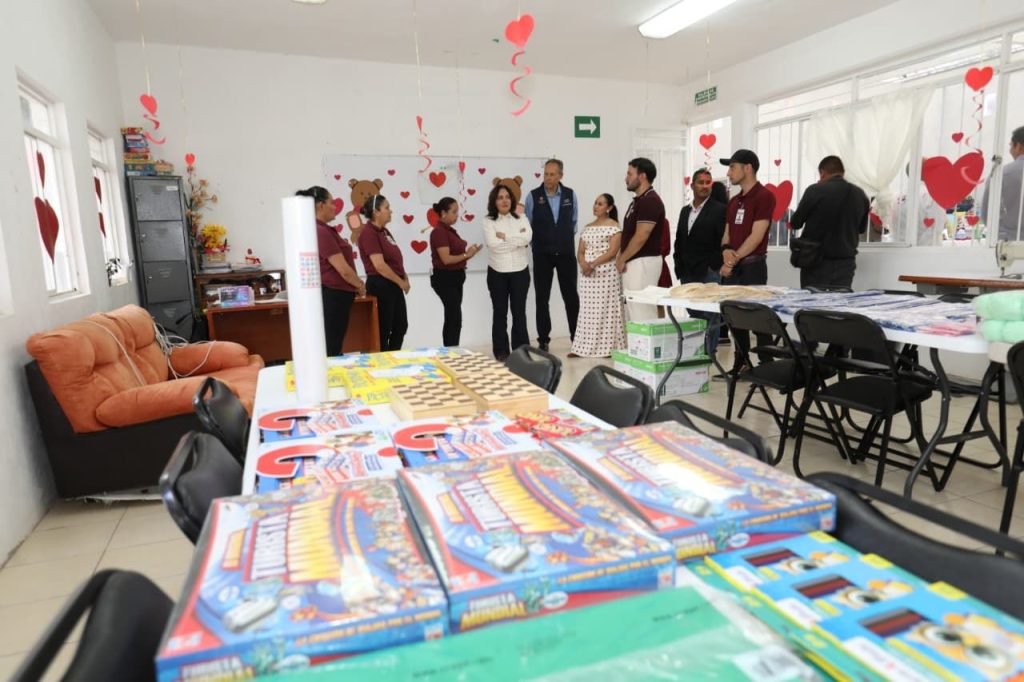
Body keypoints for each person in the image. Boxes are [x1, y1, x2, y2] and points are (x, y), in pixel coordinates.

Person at [719, 149, 776, 372]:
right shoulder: (734, 201)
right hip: (734, 266)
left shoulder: (764, 196)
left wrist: (731, 261)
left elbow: (757, 235)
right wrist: (726, 251)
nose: (729, 172)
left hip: (753, 266)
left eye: (732, 167)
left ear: (748, 168)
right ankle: (741, 362)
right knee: (735, 318)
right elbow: (727, 234)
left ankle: (766, 365)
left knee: (758, 317)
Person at [296, 186, 365, 356]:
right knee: (331, 347)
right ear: (321, 205)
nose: (335, 207)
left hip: (338, 294)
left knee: (333, 344)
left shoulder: (323, 229)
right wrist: (359, 285)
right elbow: (343, 269)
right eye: (332, 203)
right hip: (334, 295)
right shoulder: (320, 231)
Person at [790, 155, 870, 289]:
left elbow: (796, 223)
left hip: (815, 260)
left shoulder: (815, 190)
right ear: (842, 172)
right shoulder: (860, 194)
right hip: (846, 263)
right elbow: (861, 229)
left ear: (822, 173)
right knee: (839, 300)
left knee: (812, 300)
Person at [525, 159, 579, 351]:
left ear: (560, 176)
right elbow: (528, 225)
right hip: (542, 255)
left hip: (566, 253)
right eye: (546, 174)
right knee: (542, 298)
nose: (547, 178)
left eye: (552, 174)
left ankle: (577, 338)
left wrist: (560, 239)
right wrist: (541, 243)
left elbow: (573, 223)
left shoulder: (570, 195)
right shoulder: (533, 196)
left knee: (571, 297)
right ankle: (543, 340)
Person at [673, 169, 727, 357]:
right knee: (694, 314)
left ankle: (708, 354)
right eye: (701, 182)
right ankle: (695, 353)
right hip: (687, 271)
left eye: (708, 182)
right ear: (692, 185)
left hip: (708, 271)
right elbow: (680, 240)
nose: (705, 186)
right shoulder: (685, 211)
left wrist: (714, 265)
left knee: (710, 315)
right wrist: (678, 265)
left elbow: (723, 240)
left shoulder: (719, 209)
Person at [571, 194, 625, 358]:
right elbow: (580, 251)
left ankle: (608, 348)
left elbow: (612, 252)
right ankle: (582, 347)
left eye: (600, 204)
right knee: (587, 312)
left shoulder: (614, 227)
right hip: (587, 276)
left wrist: (592, 264)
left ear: (609, 208)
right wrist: (583, 264)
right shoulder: (587, 227)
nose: (596, 206)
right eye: (595, 203)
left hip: (606, 275)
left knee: (606, 311)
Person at [483, 183, 533, 361]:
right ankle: (501, 351)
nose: (504, 201)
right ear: (494, 201)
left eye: (507, 197)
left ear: (512, 200)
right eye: (500, 198)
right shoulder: (488, 221)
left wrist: (505, 237)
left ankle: (522, 351)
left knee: (519, 312)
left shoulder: (522, 218)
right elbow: (493, 245)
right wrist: (516, 242)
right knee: (500, 312)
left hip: (520, 271)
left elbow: (527, 239)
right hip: (497, 272)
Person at [617, 157, 666, 321]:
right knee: (632, 310)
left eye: (630, 174)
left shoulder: (650, 201)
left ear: (642, 176)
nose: (626, 178)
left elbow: (641, 236)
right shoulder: (639, 201)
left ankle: (646, 340)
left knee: (641, 311)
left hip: (643, 262)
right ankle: (635, 340)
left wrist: (622, 258)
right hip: (634, 261)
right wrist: (622, 256)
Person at [357, 195, 409, 351]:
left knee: (401, 325)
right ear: (376, 212)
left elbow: (395, 258)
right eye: (387, 208)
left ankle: (392, 356)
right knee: (383, 329)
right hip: (381, 284)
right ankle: (383, 359)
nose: (390, 211)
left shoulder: (384, 231)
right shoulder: (368, 233)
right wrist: (400, 282)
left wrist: (404, 277)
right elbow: (379, 265)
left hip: (393, 283)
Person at [429, 197, 481, 347]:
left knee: (453, 316)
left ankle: (452, 348)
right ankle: (450, 350)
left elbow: (456, 256)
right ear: (443, 213)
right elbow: (446, 259)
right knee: (454, 317)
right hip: (446, 278)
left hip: (455, 277)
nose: (457, 215)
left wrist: (469, 254)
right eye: (454, 212)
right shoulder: (439, 232)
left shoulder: (449, 231)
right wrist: (466, 255)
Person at [982, 125, 1024, 241]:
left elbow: (987, 213)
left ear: (1018, 146)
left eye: (1011, 145)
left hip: (1007, 243)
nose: (1010, 150)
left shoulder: (1001, 174)